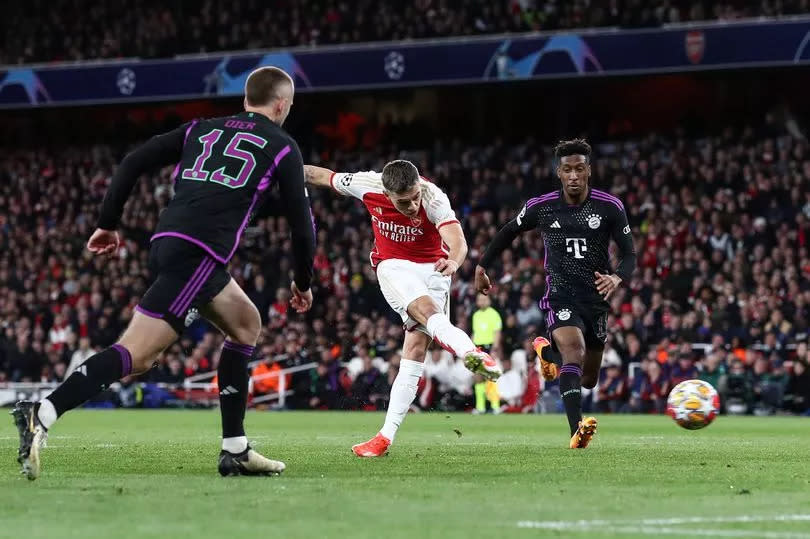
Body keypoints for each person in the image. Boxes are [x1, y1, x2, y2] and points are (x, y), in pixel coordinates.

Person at [11, 66, 316, 480]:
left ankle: (236, 449)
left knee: (246, 324)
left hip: (171, 240)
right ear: (282, 104)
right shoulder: (283, 145)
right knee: (138, 355)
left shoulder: (200, 129)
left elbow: (135, 160)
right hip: (200, 253)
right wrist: (302, 282)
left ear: (246, 99)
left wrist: (108, 221)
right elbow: (302, 225)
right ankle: (42, 412)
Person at [304, 160, 501, 457]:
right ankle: (470, 352)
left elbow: (458, 241)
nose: (411, 205)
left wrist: (455, 262)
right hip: (394, 266)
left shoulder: (432, 196)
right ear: (386, 191)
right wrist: (278, 165)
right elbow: (319, 175)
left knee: (414, 352)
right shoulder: (367, 185)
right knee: (425, 312)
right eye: (403, 201)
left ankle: (384, 437)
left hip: (436, 268)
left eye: (414, 198)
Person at [475, 139, 636, 448]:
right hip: (561, 295)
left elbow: (630, 255)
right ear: (559, 174)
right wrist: (483, 265)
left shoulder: (609, 207)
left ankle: (546, 352)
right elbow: (509, 230)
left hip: (597, 300)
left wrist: (616, 278)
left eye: (578, 169)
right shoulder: (542, 206)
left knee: (588, 379)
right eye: (566, 170)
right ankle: (576, 430)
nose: (573, 175)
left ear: (589, 171)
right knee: (573, 352)